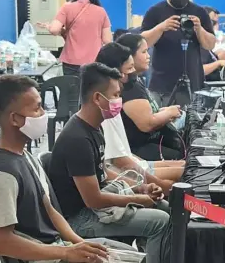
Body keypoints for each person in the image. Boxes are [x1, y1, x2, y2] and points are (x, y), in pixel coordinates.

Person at [0, 75, 110, 262]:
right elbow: (2, 242)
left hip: (56, 249)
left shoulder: (24, 155)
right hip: (41, 257)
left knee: (118, 254)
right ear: (15, 119)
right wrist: (66, 253)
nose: (43, 114)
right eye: (37, 108)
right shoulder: (2, 175)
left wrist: (79, 244)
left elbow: (48, 207)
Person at [48, 63, 170, 263]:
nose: (118, 101)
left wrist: (141, 188)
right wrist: (138, 200)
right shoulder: (78, 139)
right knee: (161, 221)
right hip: (80, 218)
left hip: (94, 208)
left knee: (163, 206)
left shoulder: (94, 128)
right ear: (97, 98)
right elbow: (93, 199)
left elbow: (102, 172)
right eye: (115, 95)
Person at [96, 41, 185, 180]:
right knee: (185, 173)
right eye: (130, 68)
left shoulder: (115, 102)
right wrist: (156, 182)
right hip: (125, 175)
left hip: (133, 165)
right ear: (117, 73)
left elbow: (126, 156)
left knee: (186, 166)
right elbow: (120, 163)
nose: (132, 74)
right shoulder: (107, 111)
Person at [111, 35, 185, 161]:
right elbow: (147, 124)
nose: (148, 56)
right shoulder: (129, 85)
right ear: (129, 56)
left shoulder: (136, 80)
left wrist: (165, 112)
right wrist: (168, 113)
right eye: (144, 52)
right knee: (182, 160)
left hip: (147, 144)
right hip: (137, 149)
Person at [141, 0, 216, 106]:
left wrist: (199, 29)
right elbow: (143, 42)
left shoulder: (199, 12)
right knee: (164, 121)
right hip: (162, 83)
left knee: (192, 120)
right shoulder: (155, 11)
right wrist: (161, 28)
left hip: (193, 82)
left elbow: (210, 45)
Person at [37, 0, 112, 76]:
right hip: (94, 61)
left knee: (72, 87)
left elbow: (54, 30)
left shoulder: (67, 8)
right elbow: (107, 40)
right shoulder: (101, 11)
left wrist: (49, 26)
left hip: (71, 61)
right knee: (90, 88)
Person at [200, 6, 225, 81]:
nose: (215, 25)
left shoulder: (207, 45)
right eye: (213, 22)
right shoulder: (199, 45)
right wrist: (218, 63)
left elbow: (217, 59)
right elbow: (199, 70)